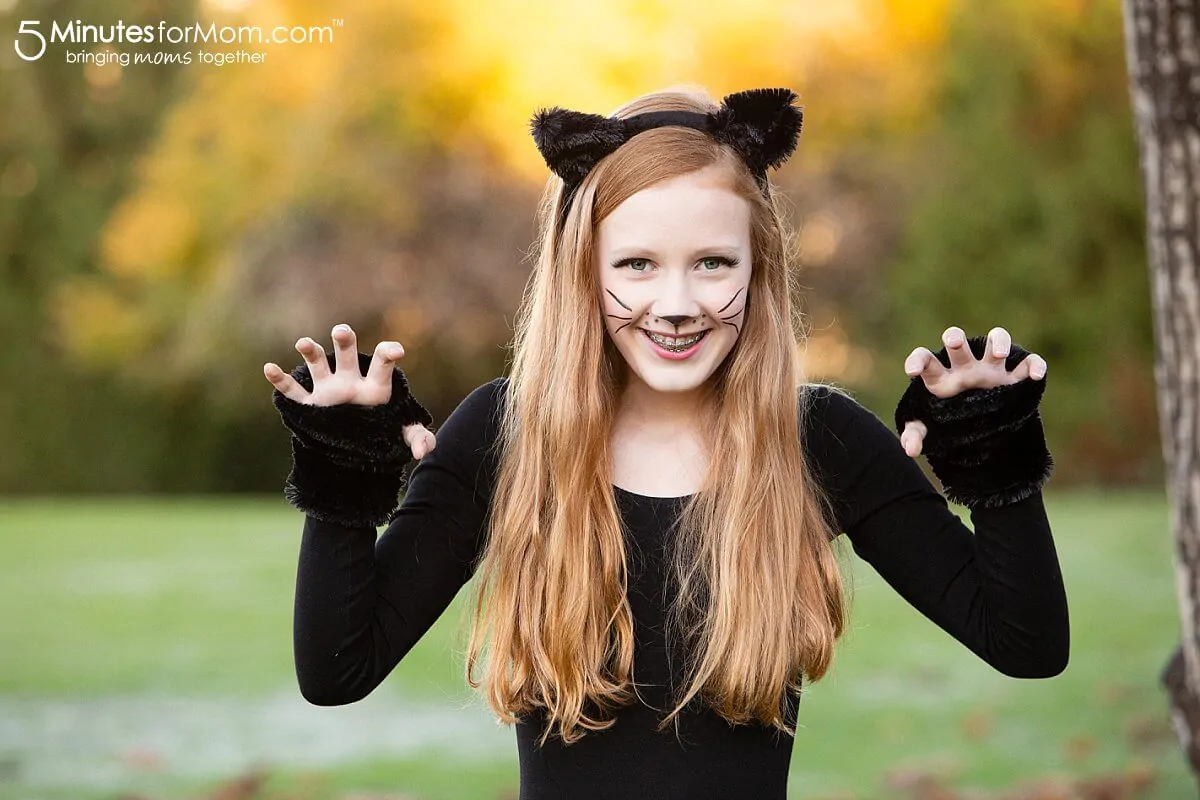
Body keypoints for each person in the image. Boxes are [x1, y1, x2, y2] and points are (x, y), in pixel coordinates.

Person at [263, 85, 1069, 800]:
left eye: (713, 263)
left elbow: (1027, 644)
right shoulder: (508, 435)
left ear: (760, 270)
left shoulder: (816, 439)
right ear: (583, 271)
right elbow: (338, 672)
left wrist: (991, 454)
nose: (676, 304)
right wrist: (342, 471)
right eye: (639, 264)